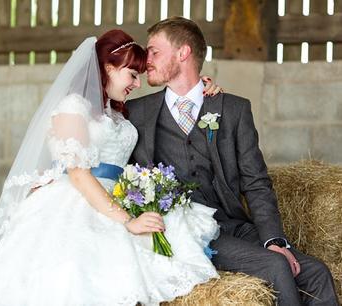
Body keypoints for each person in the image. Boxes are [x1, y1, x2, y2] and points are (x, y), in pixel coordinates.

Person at [0, 29, 222, 306]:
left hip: (119, 195)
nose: (137, 84)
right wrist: (127, 220)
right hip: (77, 202)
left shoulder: (120, 113)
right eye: (132, 74)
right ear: (108, 68)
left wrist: (202, 89)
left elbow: (175, 101)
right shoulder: (73, 107)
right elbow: (78, 174)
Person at [127, 16, 339, 306]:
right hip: (187, 232)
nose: (145, 59)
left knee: (316, 273)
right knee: (275, 267)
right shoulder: (136, 112)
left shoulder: (233, 109)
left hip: (234, 226)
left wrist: (274, 241)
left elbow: (256, 182)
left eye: (154, 51)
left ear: (183, 52)